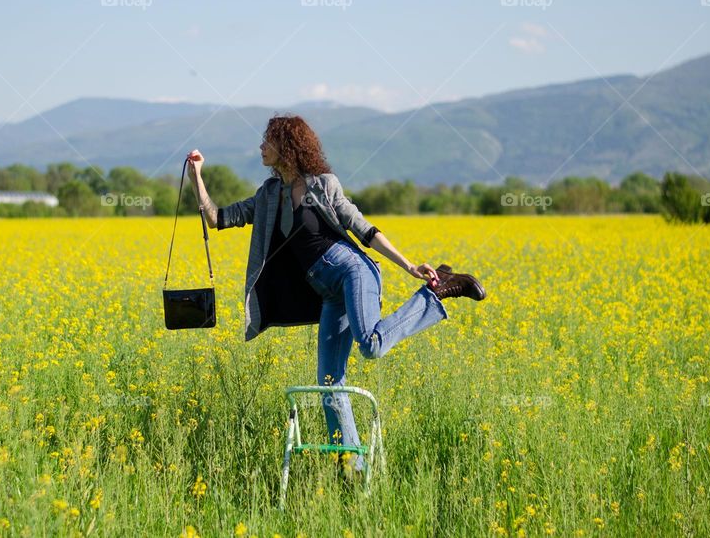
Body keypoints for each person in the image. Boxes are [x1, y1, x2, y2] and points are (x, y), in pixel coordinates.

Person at [186, 113, 485, 475]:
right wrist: (196, 177)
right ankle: (352, 469)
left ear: (288, 147)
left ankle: (437, 293)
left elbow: (364, 229)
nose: (261, 146)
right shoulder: (267, 196)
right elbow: (217, 218)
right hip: (328, 292)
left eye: (268, 140)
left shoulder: (323, 185)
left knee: (371, 345)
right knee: (329, 383)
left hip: (353, 271)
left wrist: (409, 266)